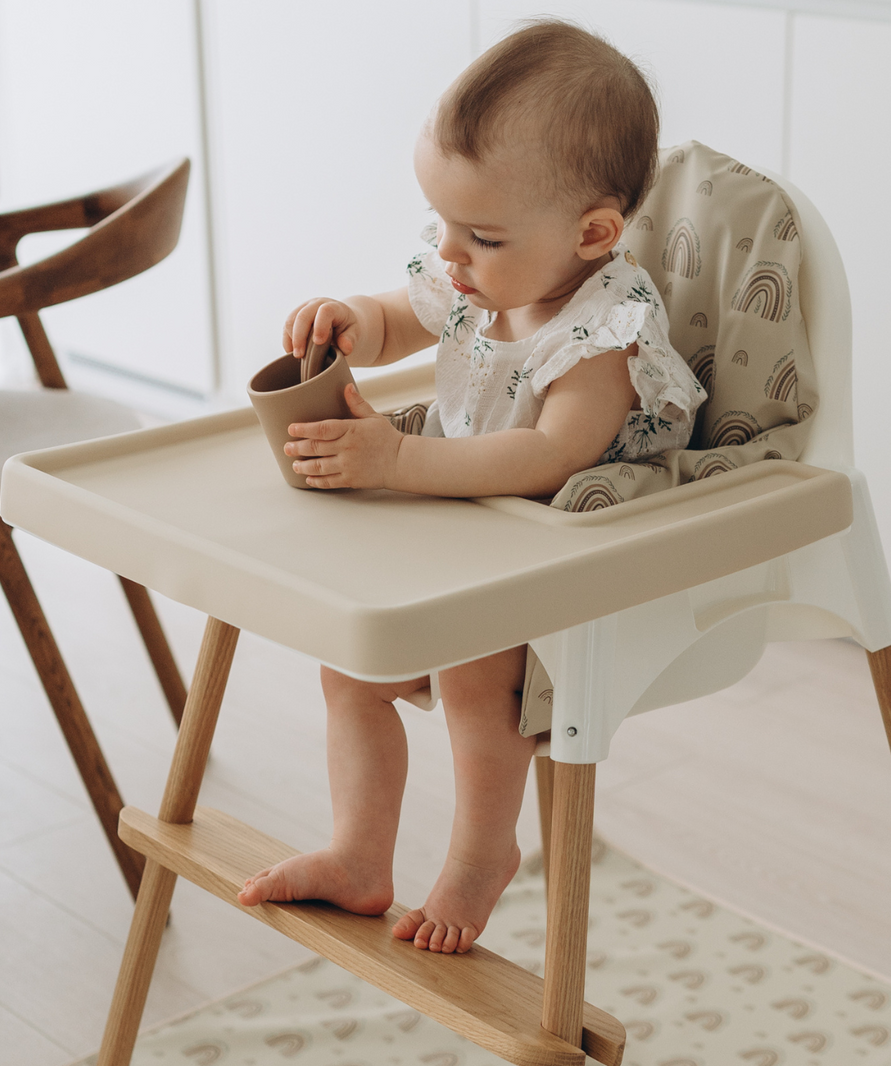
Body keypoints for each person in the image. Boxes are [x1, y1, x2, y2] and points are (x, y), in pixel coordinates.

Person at [236, 19, 705, 954]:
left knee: (474, 667)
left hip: (565, 550)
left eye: (477, 235)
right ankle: (359, 856)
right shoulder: (477, 269)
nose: (448, 256)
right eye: (441, 223)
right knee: (350, 667)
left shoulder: (603, 331)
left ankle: (481, 854)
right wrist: (351, 323)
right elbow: (398, 316)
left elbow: (552, 456)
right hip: (466, 531)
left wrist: (400, 463)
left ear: (595, 233)